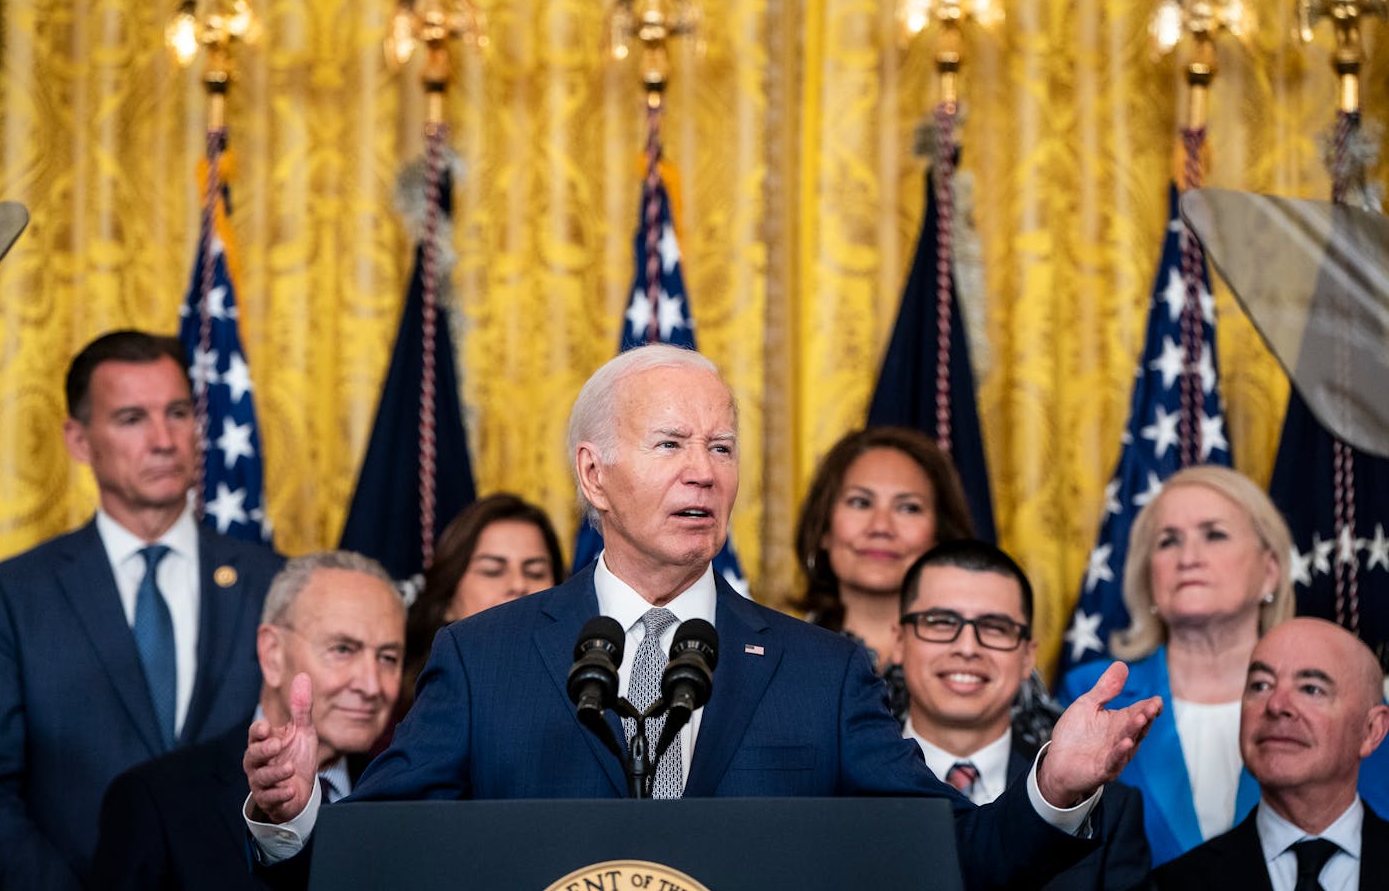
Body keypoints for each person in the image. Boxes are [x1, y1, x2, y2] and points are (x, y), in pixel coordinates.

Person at [242, 344, 1162, 891]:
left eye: (722, 447)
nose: (705, 471)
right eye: (672, 444)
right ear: (593, 473)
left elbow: (944, 859)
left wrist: (1054, 788)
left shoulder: (820, 671)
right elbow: (380, 861)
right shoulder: (482, 660)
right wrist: (289, 820)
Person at [0, 329, 281, 891]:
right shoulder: (14, 594)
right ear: (79, 441)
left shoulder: (270, 580)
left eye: (177, 412)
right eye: (131, 419)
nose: (163, 439)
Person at [91, 551, 406, 890]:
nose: (372, 685)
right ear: (272, 653)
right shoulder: (155, 801)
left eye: (388, 657)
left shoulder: (403, 798)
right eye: (343, 649)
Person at [1060, 465, 1295, 866]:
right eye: (1168, 541)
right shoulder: (1091, 693)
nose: (1188, 558)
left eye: (1214, 535)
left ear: (1269, 571)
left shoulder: (1335, 698)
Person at [897, 540, 1150, 891]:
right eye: (941, 622)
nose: (967, 648)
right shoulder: (842, 785)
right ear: (899, 640)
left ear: (1028, 656)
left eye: (995, 627)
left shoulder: (1106, 811)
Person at [796, 425, 1062, 747]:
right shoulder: (785, 656)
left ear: (940, 533)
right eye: (860, 502)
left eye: (908, 508)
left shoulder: (993, 657)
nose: (881, 527)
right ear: (823, 528)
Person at [1152, 618, 1389, 890]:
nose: (1275, 705)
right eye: (1260, 685)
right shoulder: (1172, 884)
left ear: (1372, 730)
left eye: (1311, 689)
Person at [399, 492, 564, 710]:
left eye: (535, 572)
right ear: (447, 601)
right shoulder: (405, 710)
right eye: (492, 571)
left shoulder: (588, 698)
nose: (518, 584)